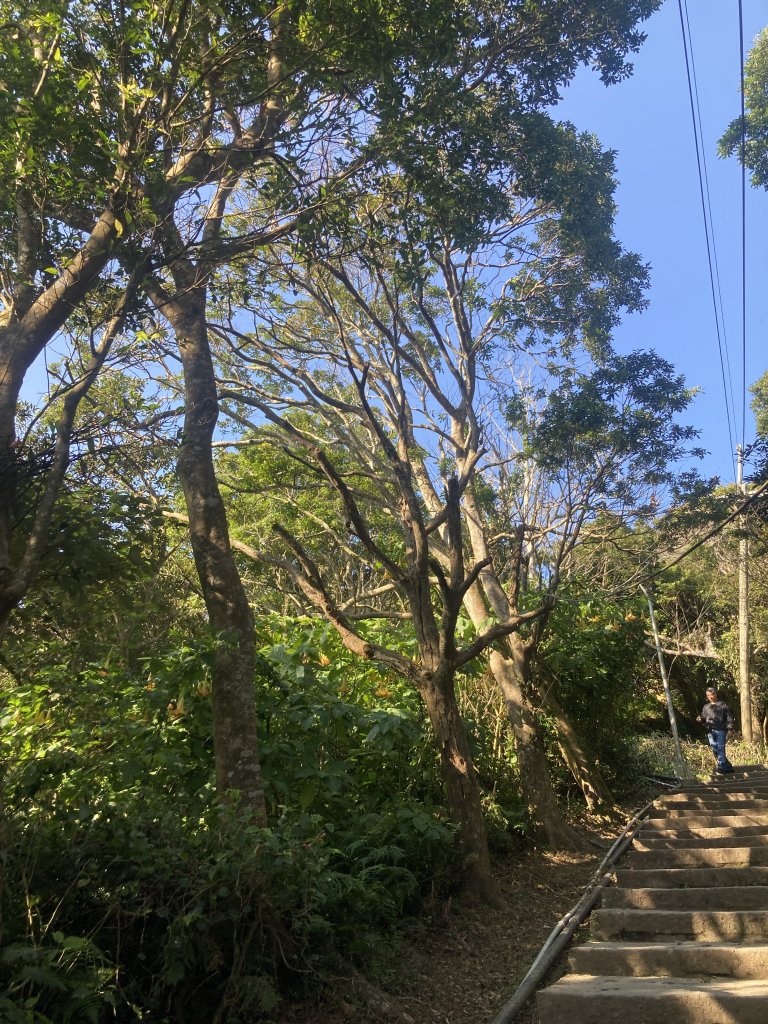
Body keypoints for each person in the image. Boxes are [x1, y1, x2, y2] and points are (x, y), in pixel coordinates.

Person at [696, 686, 735, 774]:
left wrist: (730, 729)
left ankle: (721, 766)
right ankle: (728, 767)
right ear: (707, 696)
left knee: (720, 748)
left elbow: (729, 717)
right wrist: (700, 719)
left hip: (721, 730)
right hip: (710, 731)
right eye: (708, 695)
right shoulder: (706, 707)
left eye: (712, 694)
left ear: (715, 694)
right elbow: (703, 718)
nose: (711, 696)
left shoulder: (722, 705)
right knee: (714, 748)